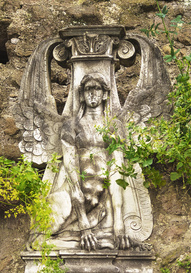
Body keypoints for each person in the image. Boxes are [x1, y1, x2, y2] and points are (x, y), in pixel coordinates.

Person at [39, 73, 131, 251]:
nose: (92, 93)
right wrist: (84, 224)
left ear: (105, 94)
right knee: (54, 222)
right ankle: (57, 237)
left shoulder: (114, 126)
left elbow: (117, 173)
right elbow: (71, 168)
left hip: (100, 202)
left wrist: (119, 225)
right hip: (74, 199)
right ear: (81, 95)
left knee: (110, 241)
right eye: (88, 89)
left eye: (96, 88)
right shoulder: (71, 126)